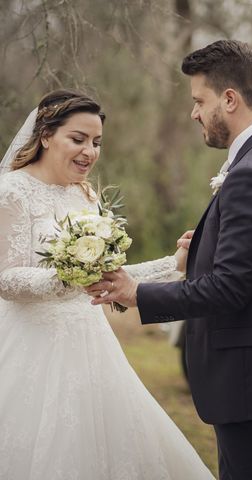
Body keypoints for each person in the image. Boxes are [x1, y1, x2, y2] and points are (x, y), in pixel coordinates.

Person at [88, 40, 252, 479]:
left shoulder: (251, 174)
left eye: (198, 100)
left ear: (229, 99)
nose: (193, 113)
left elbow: (231, 287)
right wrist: (206, 247)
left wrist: (138, 294)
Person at [0, 90, 214, 479]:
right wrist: (66, 277)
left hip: (90, 344)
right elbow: (7, 279)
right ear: (46, 135)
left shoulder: (86, 197)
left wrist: (175, 263)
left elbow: (113, 277)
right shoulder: (12, 191)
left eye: (96, 142)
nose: (90, 152)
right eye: (78, 139)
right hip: (30, 346)